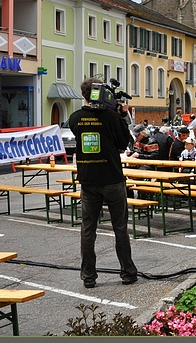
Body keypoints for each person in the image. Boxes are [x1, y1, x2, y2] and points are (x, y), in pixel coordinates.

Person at [68, 78, 138, 288]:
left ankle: (88, 277)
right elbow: (124, 143)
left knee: (88, 229)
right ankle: (127, 273)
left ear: (85, 95)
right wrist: (122, 115)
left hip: (88, 180)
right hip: (112, 178)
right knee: (120, 228)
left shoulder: (75, 118)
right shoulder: (110, 117)